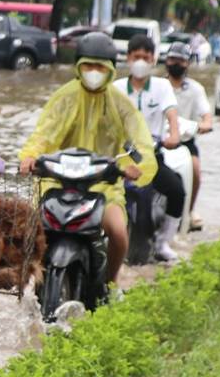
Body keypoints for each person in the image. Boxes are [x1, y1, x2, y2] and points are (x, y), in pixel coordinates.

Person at [17, 31, 157, 288]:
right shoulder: (63, 97)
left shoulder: (121, 103)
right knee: (32, 229)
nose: (94, 71)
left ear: (110, 70)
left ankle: (111, 283)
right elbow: (43, 134)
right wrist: (29, 156)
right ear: (79, 67)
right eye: (88, 65)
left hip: (103, 184)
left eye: (100, 66)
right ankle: (32, 281)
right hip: (58, 182)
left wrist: (136, 166)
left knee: (117, 232)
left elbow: (140, 141)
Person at [114, 35, 184, 262]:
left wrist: (173, 135)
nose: (141, 61)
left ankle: (163, 242)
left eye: (146, 57)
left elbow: (171, 114)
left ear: (153, 59)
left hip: (151, 156)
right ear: (128, 58)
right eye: (136, 57)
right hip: (122, 158)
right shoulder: (115, 89)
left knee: (176, 189)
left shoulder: (162, 87)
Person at [165, 42, 213, 230]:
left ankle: (190, 211)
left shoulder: (195, 89)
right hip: (159, 141)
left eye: (181, 60)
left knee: (195, 170)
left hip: (185, 143)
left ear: (188, 63)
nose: (176, 64)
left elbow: (207, 116)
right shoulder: (158, 87)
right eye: (172, 59)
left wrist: (205, 125)